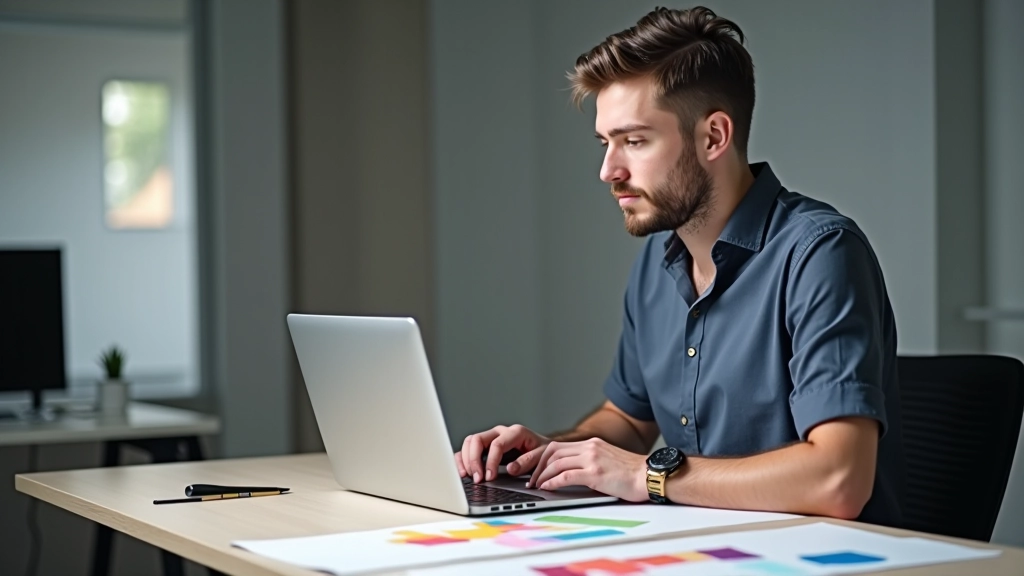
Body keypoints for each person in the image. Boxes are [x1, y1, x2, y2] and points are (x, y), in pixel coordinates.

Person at [454, 6, 905, 527]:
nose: (608, 171)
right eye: (606, 143)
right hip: (702, 546)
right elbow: (627, 418)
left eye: (635, 141)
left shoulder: (821, 253)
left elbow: (838, 480)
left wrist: (648, 476)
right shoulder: (658, 261)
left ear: (713, 136)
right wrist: (549, 455)